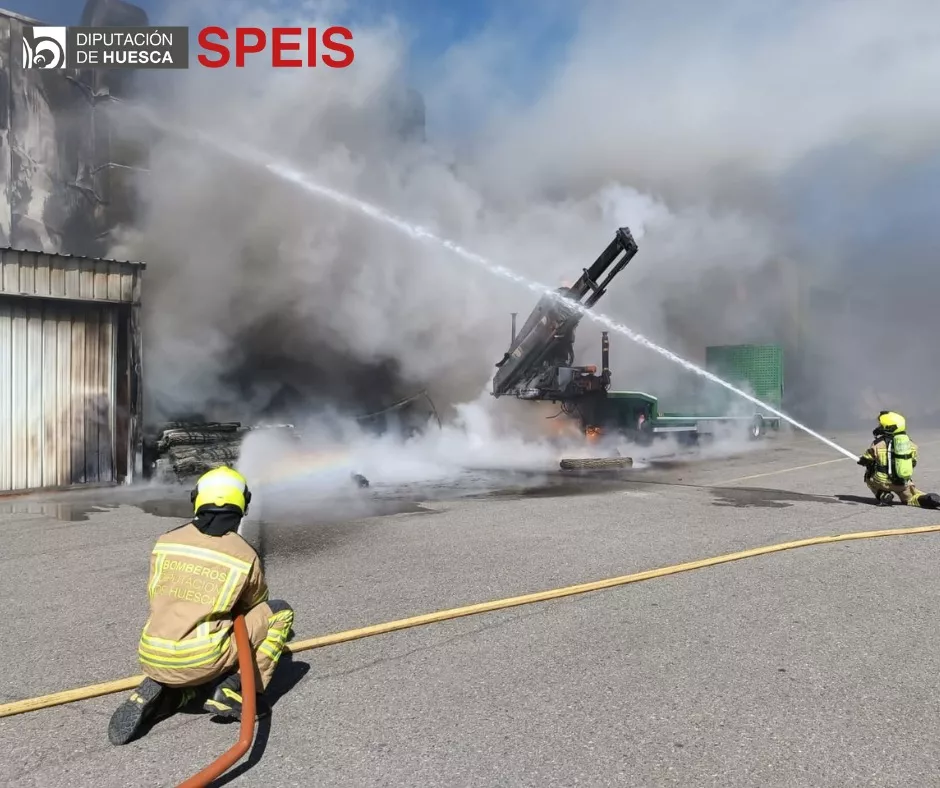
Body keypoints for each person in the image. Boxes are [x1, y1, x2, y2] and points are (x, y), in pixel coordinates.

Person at [108, 465, 295, 745]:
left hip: (151, 653)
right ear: (242, 505)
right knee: (279, 611)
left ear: (197, 500)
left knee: (193, 629)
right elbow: (257, 604)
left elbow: (158, 593)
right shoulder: (244, 553)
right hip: (202, 657)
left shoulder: (166, 541)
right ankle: (236, 688)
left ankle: (172, 692)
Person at [857, 411, 940, 508]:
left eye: (882, 425)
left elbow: (867, 458)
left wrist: (863, 461)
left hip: (882, 482)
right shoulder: (910, 444)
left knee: (868, 478)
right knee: (910, 498)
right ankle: (926, 500)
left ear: (889, 427)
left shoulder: (878, 444)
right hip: (902, 482)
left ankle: (883, 494)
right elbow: (913, 462)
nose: (879, 427)